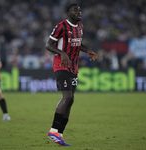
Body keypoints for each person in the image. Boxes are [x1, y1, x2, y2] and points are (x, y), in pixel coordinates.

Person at [45, 4, 97, 146]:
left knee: (71, 100)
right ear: (68, 13)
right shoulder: (61, 26)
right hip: (61, 65)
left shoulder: (80, 27)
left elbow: (77, 44)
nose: (78, 12)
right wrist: (62, 53)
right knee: (67, 97)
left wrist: (88, 51)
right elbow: (48, 45)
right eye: (75, 10)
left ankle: (60, 134)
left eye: (80, 10)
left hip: (73, 67)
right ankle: (53, 131)